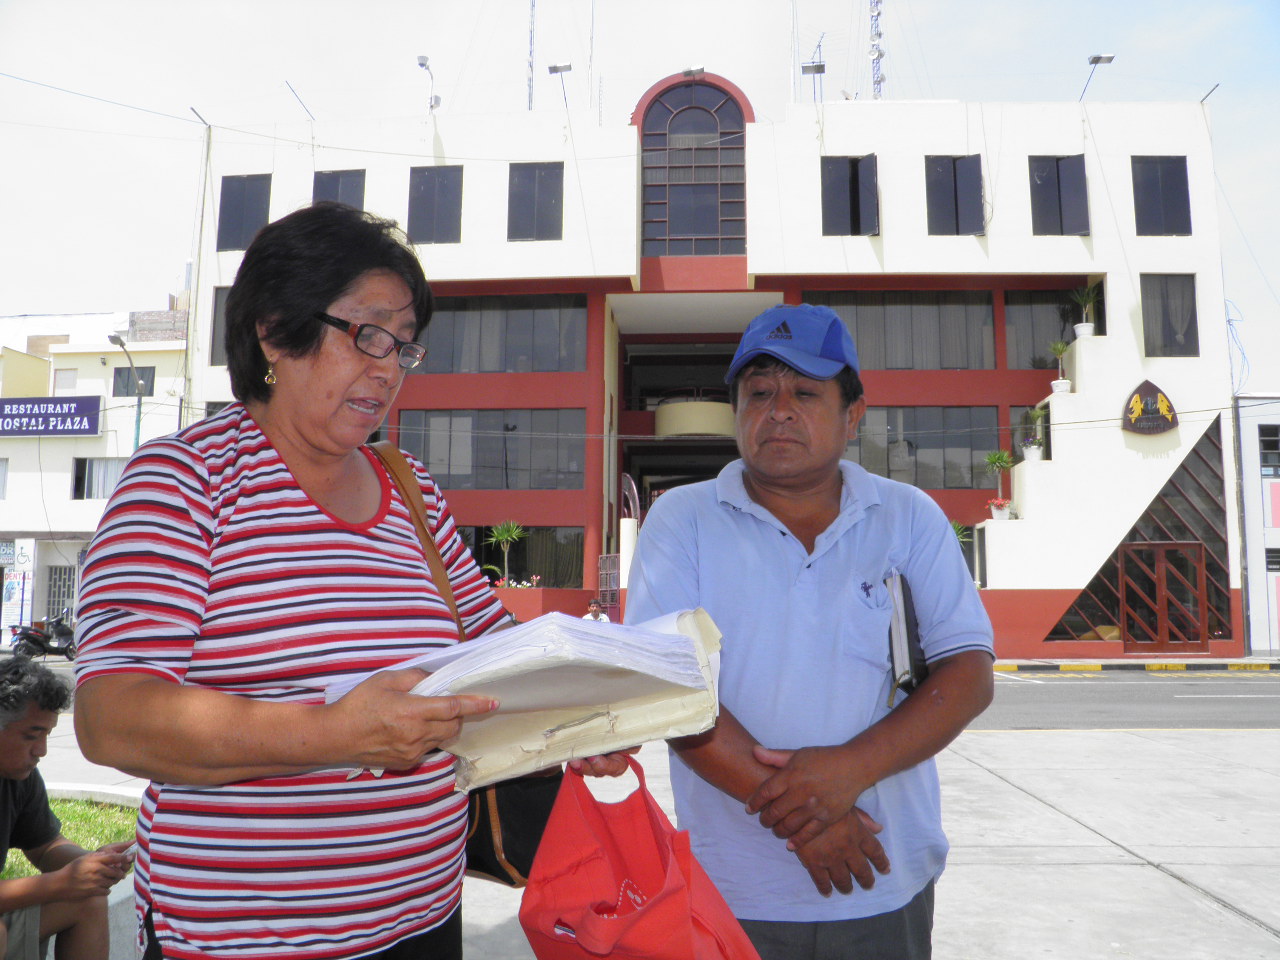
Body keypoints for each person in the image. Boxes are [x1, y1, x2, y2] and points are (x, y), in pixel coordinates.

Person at [73, 202, 625, 960]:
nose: (389, 366)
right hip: (242, 940)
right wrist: (338, 736)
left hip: (423, 921)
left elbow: (496, 650)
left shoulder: (411, 488)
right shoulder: (184, 482)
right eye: (367, 334)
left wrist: (581, 707)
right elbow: (113, 718)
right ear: (274, 329)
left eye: (403, 346)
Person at [625, 303, 995, 960]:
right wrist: (811, 819)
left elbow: (967, 673)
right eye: (759, 393)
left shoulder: (907, 517)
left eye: (804, 392)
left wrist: (850, 771)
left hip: (883, 878)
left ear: (853, 416)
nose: (778, 410)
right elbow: (670, 689)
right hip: (732, 890)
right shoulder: (681, 521)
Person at [0, 656, 133, 960]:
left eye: (47, 735)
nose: (41, 750)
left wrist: (94, 863)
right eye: (31, 736)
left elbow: (45, 846)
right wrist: (61, 882)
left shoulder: (20, 778)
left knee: (88, 899)